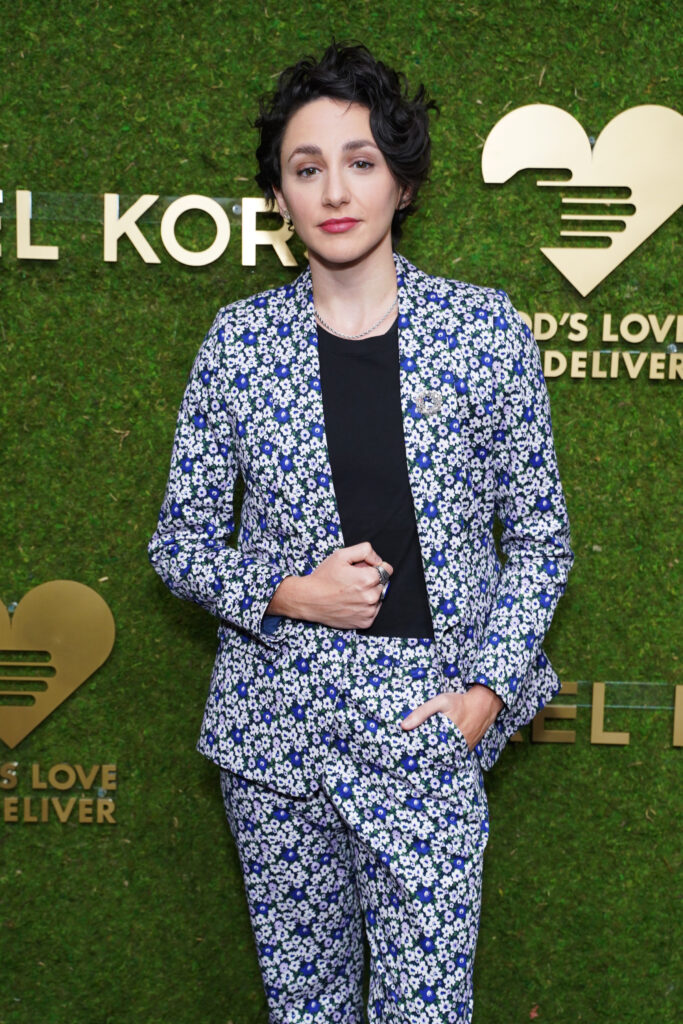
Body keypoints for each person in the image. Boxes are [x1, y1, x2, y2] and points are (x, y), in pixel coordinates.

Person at [148, 41, 574, 1024]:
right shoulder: (238, 344)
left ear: (402, 182)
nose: (334, 190)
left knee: (426, 1009)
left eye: (361, 160)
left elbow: (539, 544)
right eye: (306, 168)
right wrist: (288, 592)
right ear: (278, 196)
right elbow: (179, 543)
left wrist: (482, 695)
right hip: (277, 739)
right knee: (305, 1008)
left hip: (426, 730)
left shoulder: (483, 333)